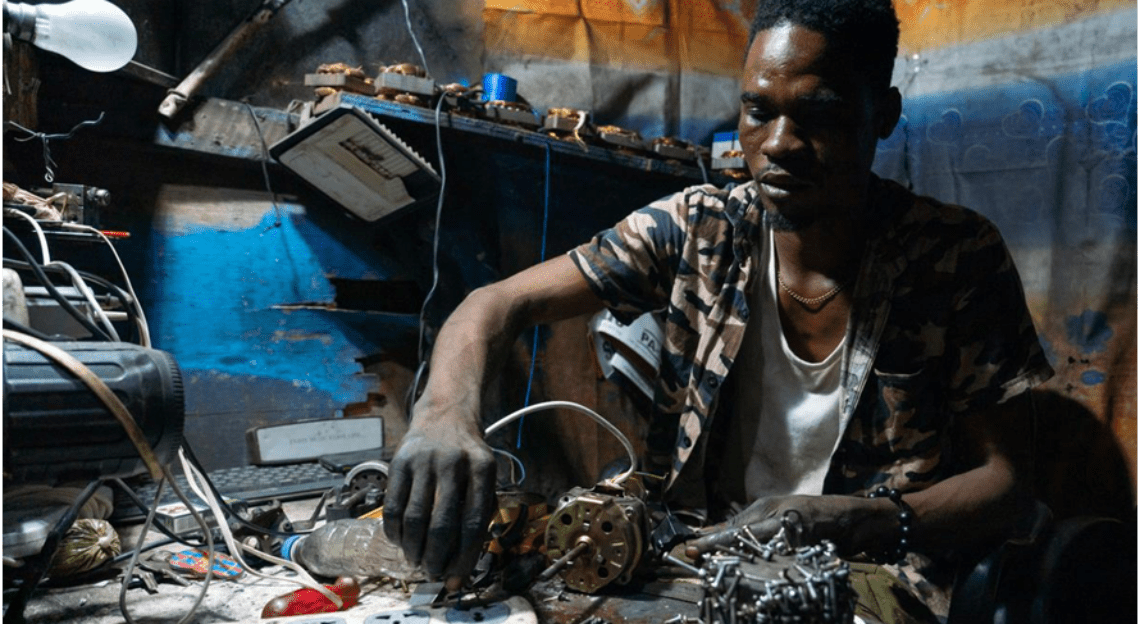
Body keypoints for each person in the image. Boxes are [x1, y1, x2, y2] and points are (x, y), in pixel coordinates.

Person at [382, 0, 1054, 620]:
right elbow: (493, 303)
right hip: (690, 560)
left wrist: (854, 519)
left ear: (883, 113)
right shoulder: (700, 229)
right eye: (759, 111)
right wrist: (443, 416)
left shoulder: (953, 257)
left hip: (863, 576)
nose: (780, 142)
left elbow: (1006, 484)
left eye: (818, 114)